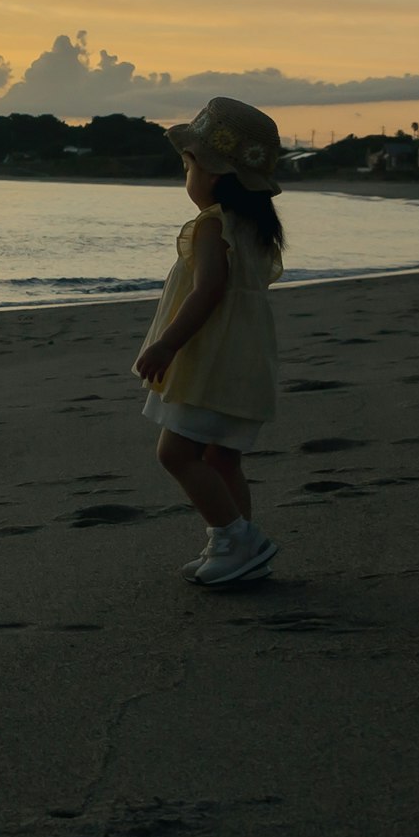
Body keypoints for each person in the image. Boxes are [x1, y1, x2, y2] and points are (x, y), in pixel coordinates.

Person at [133, 96, 289, 587]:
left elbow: (208, 291)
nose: (187, 177)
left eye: (188, 166)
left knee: (174, 454)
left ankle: (234, 538)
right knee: (222, 458)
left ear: (214, 174)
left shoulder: (212, 224)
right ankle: (238, 546)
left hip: (210, 362)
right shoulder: (254, 228)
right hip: (245, 361)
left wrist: (166, 345)